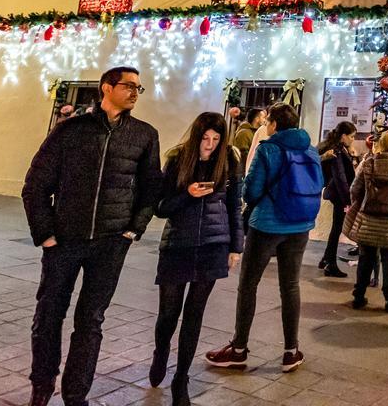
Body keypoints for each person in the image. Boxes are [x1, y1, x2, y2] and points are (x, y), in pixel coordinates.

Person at [21, 66, 161, 406]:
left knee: (91, 320)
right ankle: (42, 387)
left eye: (138, 88)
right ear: (106, 87)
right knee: (48, 314)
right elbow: (35, 186)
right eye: (128, 86)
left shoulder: (144, 135)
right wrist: (46, 235)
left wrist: (133, 230)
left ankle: (76, 394)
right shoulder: (71, 130)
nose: (134, 93)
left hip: (111, 243)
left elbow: (151, 188)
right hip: (65, 240)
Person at [206, 103, 321, 374]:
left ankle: (238, 348)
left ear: (274, 124)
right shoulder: (311, 149)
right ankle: (291, 351)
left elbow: (251, 190)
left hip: (267, 225)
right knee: (290, 285)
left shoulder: (268, 149)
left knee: (249, 284)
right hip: (300, 225)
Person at [150, 112, 243, 406]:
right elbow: (161, 207)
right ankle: (161, 350)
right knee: (168, 312)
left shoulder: (229, 160)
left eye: (215, 140)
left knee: (194, 313)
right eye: (205, 139)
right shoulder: (178, 158)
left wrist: (235, 247)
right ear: (196, 136)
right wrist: (189, 194)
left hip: (213, 244)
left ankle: (182, 379)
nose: (209, 146)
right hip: (178, 244)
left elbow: (234, 206)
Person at [346, 130, 388, 311]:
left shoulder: (369, 163)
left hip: (368, 219)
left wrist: (360, 203)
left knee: (365, 258)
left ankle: (359, 296)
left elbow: (354, 189)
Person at [319, 120, 357, 277]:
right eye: (352, 136)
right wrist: (348, 199)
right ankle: (330, 263)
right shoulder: (337, 151)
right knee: (336, 229)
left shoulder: (339, 148)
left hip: (337, 193)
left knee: (336, 228)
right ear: (343, 136)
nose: (353, 139)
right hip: (340, 194)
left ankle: (326, 258)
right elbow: (340, 176)